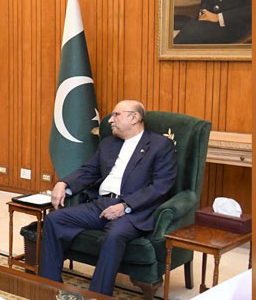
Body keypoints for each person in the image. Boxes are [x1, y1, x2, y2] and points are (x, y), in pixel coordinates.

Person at [38, 100, 177, 296]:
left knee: (113, 236)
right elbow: (89, 171)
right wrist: (64, 183)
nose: (110, 120)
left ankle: (98, 295)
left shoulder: (160, 145)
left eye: (116, 115)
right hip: (100, 205)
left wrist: (126, 206)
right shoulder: (109, 143)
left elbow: (161, 186)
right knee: (54, 220)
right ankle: (48, 288)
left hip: (132, 210)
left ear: (134, 117)